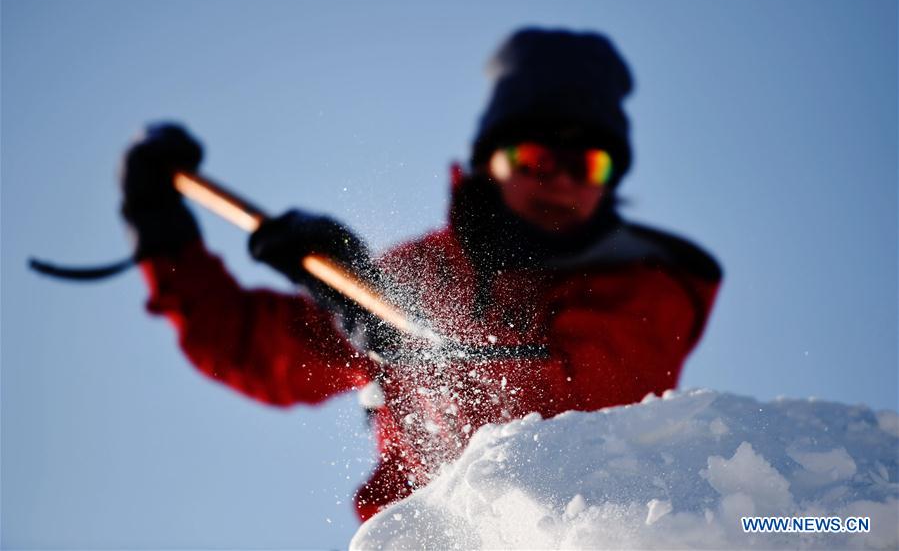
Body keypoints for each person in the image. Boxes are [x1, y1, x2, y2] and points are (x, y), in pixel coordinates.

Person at [120, 27, 722, 521]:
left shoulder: (647, 285)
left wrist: (395, 332)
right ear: (491, 158)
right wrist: (160, 232)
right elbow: (251, 346)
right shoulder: (424, 272)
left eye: (588, 162)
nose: (561, 181)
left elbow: (566, 410)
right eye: (536, 158)